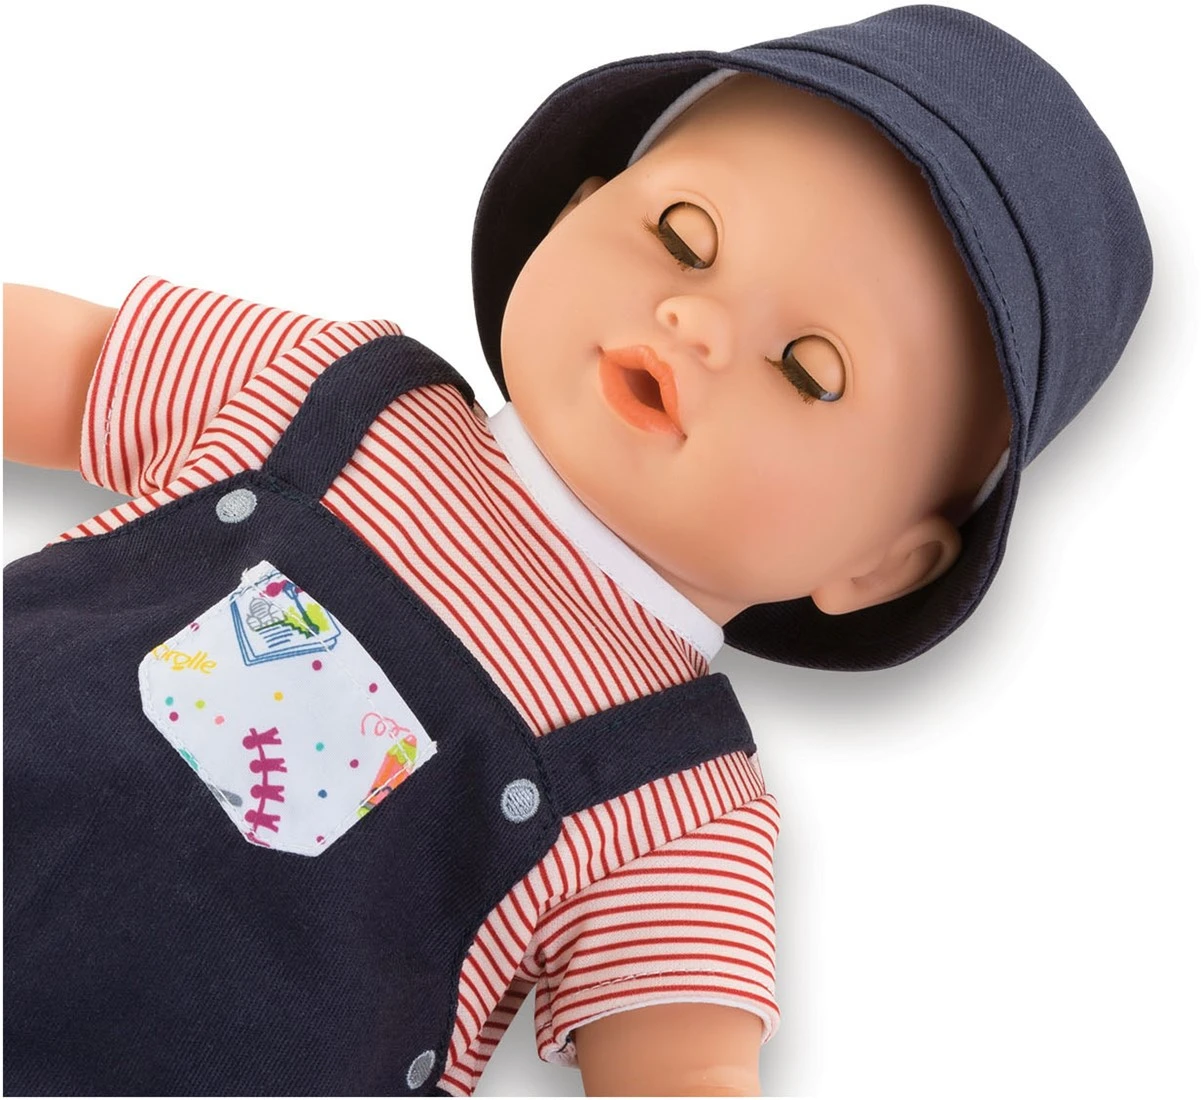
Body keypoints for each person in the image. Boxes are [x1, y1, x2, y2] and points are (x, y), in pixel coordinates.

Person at [2, 6, 1151, 1096]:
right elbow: (71, 363)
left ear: (882, 565)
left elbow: (683, 1068)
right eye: (683, 236)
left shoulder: (682, 807)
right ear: (574, 210)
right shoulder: (325, 384)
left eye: (808, 368)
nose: (696, 322)